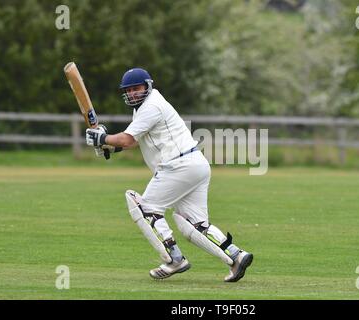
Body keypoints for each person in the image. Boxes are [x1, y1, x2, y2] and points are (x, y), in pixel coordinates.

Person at [85, 67, 253, 282]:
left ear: (148, 86)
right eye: (129, 90)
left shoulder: (151, 106)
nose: (133, 93)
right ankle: (237, 255)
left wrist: (103, 139)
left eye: (137, 88)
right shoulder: (144, 108)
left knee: (144, 207)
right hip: (195, 165)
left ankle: (175, 259)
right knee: (192, 223)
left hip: (178, 166)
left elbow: (126, 139)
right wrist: (109, 145)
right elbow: (134, 141)